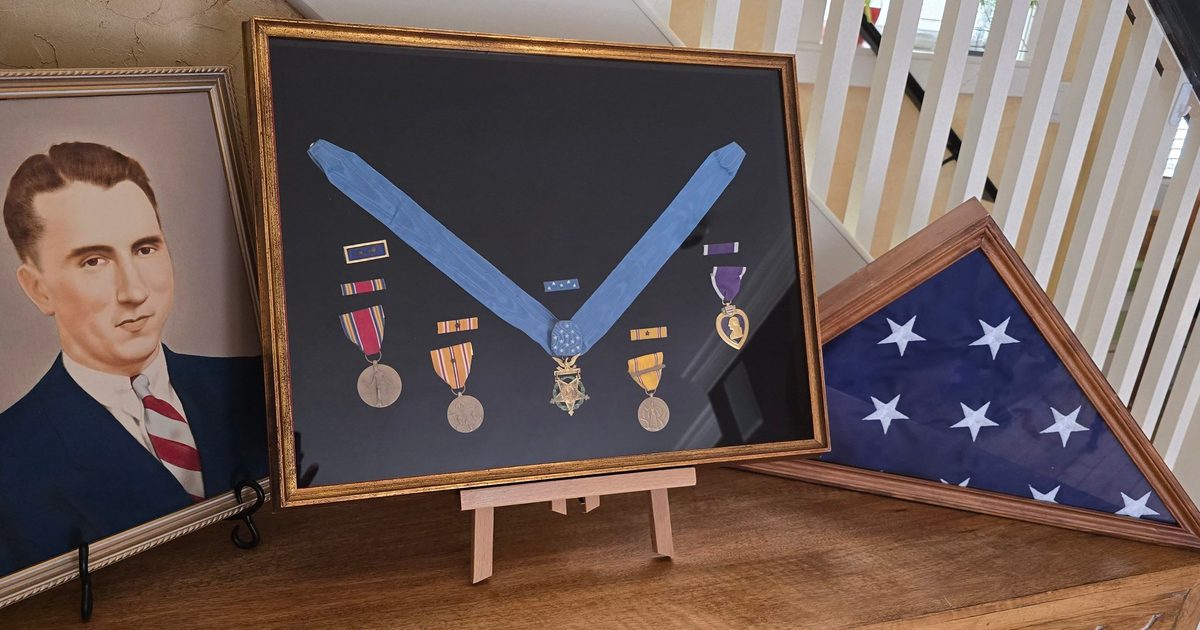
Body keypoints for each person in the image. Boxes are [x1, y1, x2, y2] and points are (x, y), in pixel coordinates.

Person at [0, 142, 267, 574]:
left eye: (145, 249)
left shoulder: (260, 383)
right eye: (93, 261)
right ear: (38, 289)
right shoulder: (8, 460)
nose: (135, 291)